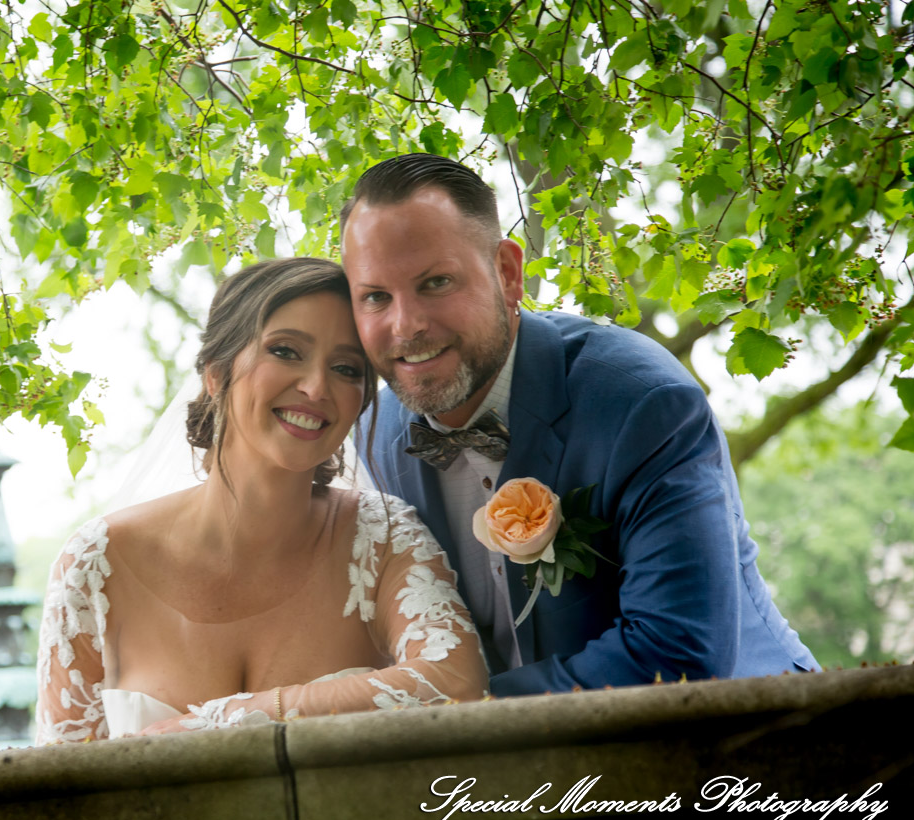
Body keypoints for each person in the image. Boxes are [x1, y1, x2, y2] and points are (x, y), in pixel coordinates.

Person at [342, 153, 820, 697]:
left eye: (435, 282)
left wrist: (455, 715)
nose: (406, 326)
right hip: (535, 773)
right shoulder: (372, 440)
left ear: (507, 273)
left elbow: (678, 652)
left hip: (752, 735)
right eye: (376, 297)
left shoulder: (643, 403)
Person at [34, 258, 489, 743]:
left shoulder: (385, 540)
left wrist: (227, 720)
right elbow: (60, 781)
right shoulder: (97, 564)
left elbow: (459, 683)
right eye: (286, 351)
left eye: (344, 368)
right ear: (215, 373)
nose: (317, 387)